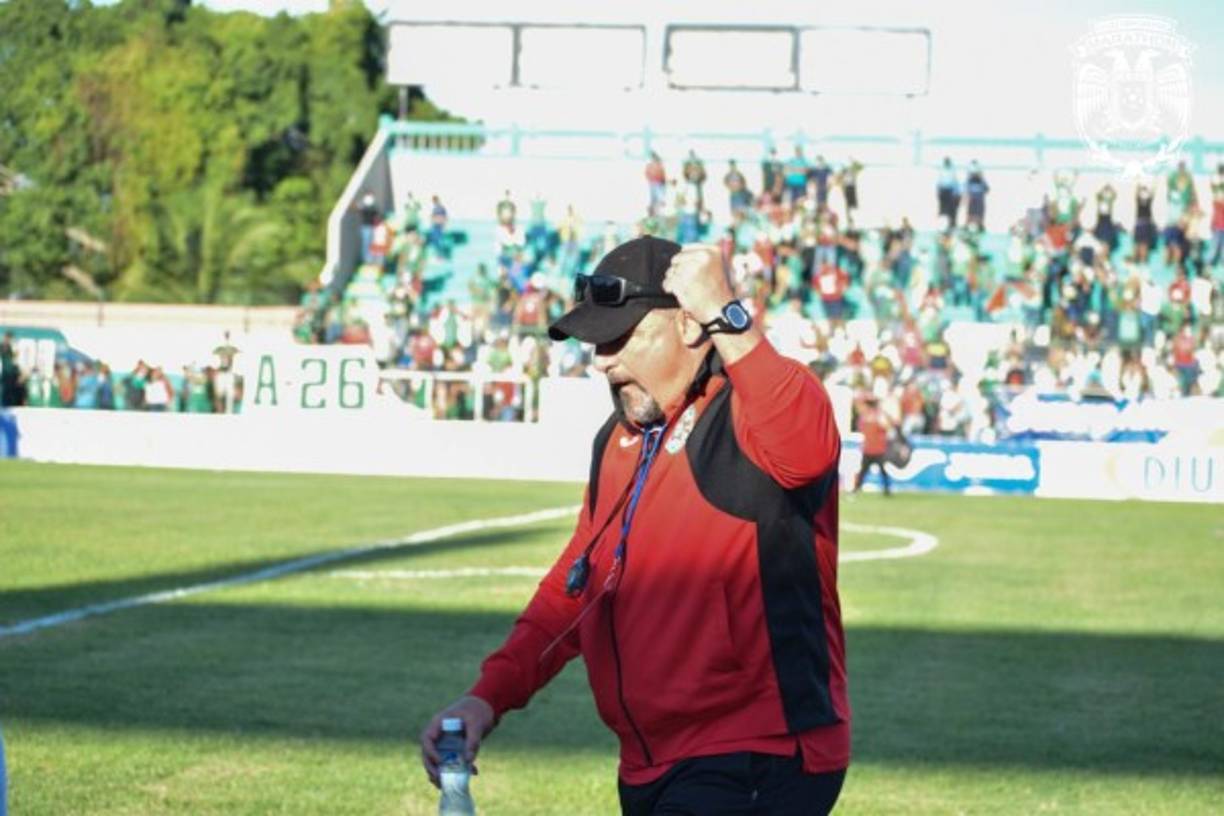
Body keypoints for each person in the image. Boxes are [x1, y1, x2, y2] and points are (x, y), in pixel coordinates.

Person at [420, 236, 848, 815]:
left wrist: (728, 313)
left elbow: (805, 450)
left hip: (758, 754)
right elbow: (576, 589)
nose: (603, 359)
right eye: (597, 341)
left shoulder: (752, 409)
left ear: (689, 327)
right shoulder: (620, 440)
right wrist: (485, 700)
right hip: (652, 765)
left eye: (620, 337)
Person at [853, 395, 892, 495]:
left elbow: (886, 428)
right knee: (865, 471)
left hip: (877, 448)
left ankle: (886, 489)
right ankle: (857, 488)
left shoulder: (875, 416)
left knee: (878, 471)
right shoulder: (873, 416)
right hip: (871, 448)